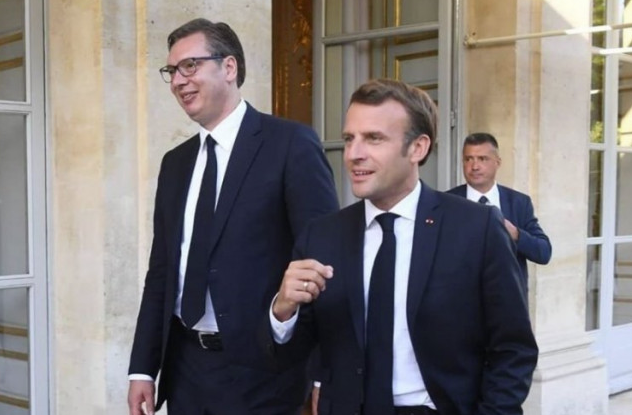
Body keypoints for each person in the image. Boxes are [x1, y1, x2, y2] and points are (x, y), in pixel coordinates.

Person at [264, 79, 538, 415]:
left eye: (374, 138)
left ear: (417, 148)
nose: (354, 154)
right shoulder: (321, 236)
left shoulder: (476, 228)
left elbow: (513, 348)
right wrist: (283, 311)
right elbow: (290, 357)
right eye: (350, 138)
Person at [127, 18, 339, 415]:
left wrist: (322, 373)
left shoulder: (290, 144)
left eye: (190, 65)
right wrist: (142, 368)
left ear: (229, 67)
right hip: (186, 371)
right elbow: (162, 272)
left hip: (263, 373)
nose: (178, 80)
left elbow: (323, 262)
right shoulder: (175, 164)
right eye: (172, 71)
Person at [447, 132, 551, 296]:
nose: (474, 166)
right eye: (468, 159)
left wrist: (515, 234)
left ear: (498, 162)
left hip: (507, 301)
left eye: (482, 159)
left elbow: (543, 253)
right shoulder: (447, 202)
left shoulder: (519, 203)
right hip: (459, 301)